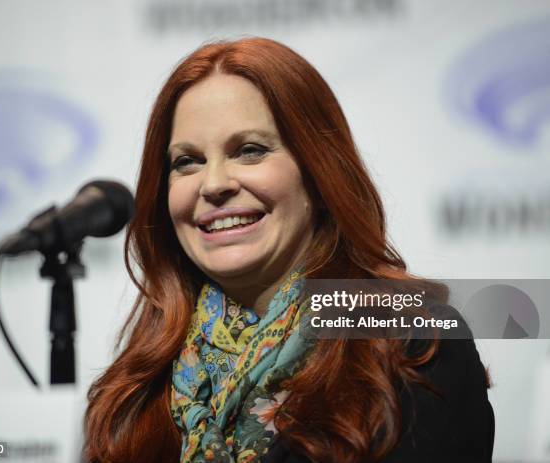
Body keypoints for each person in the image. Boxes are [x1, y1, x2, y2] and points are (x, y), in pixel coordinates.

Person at [84, 37, 494, 462]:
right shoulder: (139, 383)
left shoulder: (411, 337)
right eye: (187, 161)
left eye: (249, 150)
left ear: (318, 175)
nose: (213, 184)